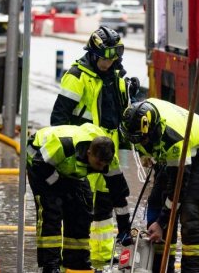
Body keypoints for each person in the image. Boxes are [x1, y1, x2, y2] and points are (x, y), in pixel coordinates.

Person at [50, 26, 139, 262]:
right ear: (93, 53)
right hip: (86, 152)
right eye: (104, 58)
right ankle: (75, 256)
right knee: (81, 205)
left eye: (112, 58)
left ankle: (100, 258)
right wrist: (66, 154)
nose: (107, 64)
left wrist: (131, 94)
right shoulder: (77, 76)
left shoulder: (118, 77)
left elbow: (123, 113)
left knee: (105, 206)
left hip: (109, 150)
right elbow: (59, 118)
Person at [120, 98, 199, 273]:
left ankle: (193, 269)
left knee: (190, 210)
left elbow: (179, 187)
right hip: (175, 154)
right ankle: (160, 268)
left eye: (140, 140)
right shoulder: (137, 117)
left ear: (151, 131)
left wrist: (161, 222)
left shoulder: (173, 138)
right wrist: (147, 154)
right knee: (157, 201)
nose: (137, 144)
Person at [26, 123, 116, 272]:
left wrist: (125, 224)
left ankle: (77, 262)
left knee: (82, 207)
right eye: (98, 164)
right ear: (89, 153)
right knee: (51, 212)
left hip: (68, 167)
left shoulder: (108, 158)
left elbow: (119, 189)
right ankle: (50, 265)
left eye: (103, 166)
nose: (100, 169)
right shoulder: (64, 145)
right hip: (40, 161)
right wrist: (60, 185)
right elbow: (39, 164)